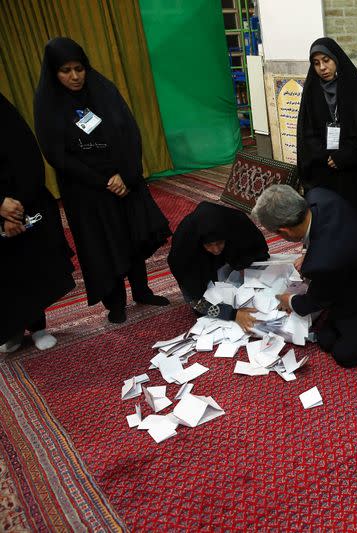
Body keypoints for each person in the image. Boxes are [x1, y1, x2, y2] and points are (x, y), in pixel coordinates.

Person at [33, 38, 170, 324]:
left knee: (132, 235)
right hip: (87, 191)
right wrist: (103, 181)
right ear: (53, 73)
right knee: (103, 245)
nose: (74, 76)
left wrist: (126, 176)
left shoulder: (102, 89)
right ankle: (116, 303)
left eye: (79, 68)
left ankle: (142, 291)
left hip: (124, 182)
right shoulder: (48, 103)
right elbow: (56, 155)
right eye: (66, 71)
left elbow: (130, 131)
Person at [253, 184, 357, 368]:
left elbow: (314, 301)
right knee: (326, 338)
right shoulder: (319, 196)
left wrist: (290, 300)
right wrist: (309, 251)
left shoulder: (322, 261)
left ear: (284, 231)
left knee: (344, 354)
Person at [0, 94, 75, 353]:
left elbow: (26, 161)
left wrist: (14, 211)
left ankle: (38, 326)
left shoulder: (4, 115)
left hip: (23, 205)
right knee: (4, 276)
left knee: (29, 267)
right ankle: (12, 330)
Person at [296, 37, 357, 225]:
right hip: (324, 168)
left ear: (336, 59)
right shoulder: (312, 92)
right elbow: (307, 133)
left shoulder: (356, 87)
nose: (322, 67)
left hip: (353, 166)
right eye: (316, 63)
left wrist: (346, 154)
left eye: (326, 60)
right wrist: (326, 155)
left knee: (356, 216)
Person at [168, 202, 269, 331]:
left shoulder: (237, 222)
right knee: (205, 312)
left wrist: (246, 271)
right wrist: (232, 314)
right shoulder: (184, 245)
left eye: (219, 242)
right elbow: (195, 300)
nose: (215, 249)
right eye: (209, 244)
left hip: (230, 254)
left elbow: (258, 253)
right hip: (200, 263)